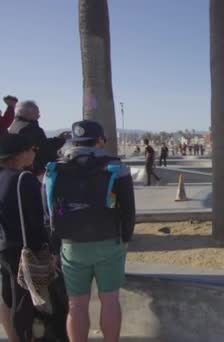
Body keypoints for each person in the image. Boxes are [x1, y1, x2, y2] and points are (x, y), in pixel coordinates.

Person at [45, 120, 135, 342]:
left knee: (76, 305)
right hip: (109, 242)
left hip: (72, 245)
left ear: (73, 142)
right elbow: (129, 210)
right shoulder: (117, 167)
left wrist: (55, 248)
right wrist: (125, 238)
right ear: (100, 141)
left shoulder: (55, 169)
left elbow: (49, 213)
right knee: (110, 300)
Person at [0, 134, 68, 341]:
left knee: (8, 297)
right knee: (23, 300)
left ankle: (14, 337)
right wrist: (48, 250)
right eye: (32, 149)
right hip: (24, 249)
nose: (34, 153)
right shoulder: (24, 179)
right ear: (20, 154)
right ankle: (24, 336)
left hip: (4, 247)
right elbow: (36, 222)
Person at [8, 100, 66, 176]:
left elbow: (39, 143)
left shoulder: (12, 127)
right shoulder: (30, 128)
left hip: (15, 171)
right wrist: (61, 140)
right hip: (34, 172)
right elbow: (45, 149)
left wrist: (57, 139)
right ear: (28, 113)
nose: (39, 116)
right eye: (37, 112)